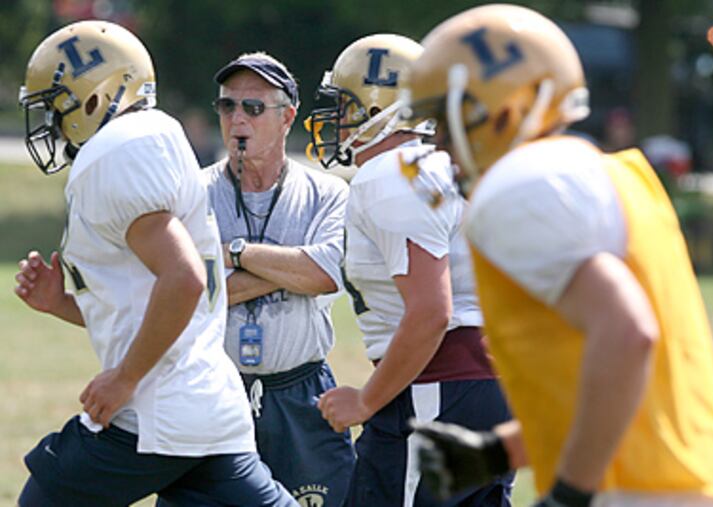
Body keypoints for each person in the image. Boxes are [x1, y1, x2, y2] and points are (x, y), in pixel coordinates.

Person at [403, 4, 713, 507]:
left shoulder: (520, 185)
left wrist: (569, 492)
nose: (438, 142)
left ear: (501, 107)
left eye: (446, 118)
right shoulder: (603, 172)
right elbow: (610, 378)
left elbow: (627, 334)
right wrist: (498, 452)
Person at [14, 20, 296, 506]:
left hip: (156, 413)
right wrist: (60, 302)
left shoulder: (115, 151)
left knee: (44, 497)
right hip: (207, 407)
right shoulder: (149, 137)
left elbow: (184, 280)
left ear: (95, 98)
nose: (52, 123)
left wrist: (124, 378)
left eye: (57, 106)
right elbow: (148, 302)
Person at [306, 33, 514, 506]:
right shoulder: (442, 165)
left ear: (384, 105)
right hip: (476, 383)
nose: (338, 120)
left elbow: (430, 312)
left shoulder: (391, 175)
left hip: (436, 389)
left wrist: (366, 399)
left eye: (347, 105)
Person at [203, 51, 354, 507]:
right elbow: (196, 292)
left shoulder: (327, 193)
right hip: (214, 390)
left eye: (253, 108)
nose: (237, 119)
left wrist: (237, 253)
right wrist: (292, 272)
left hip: (301, 392)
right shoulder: (193, 192)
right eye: (228, 106)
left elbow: (326, 274)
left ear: (288, 117)